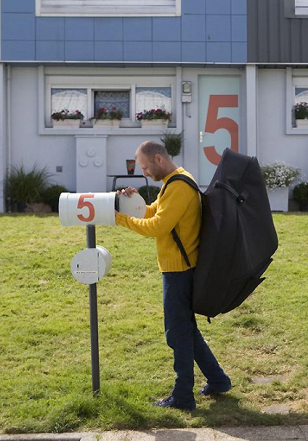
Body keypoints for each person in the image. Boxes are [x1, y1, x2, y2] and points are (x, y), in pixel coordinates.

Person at [114, 141, 232, 411]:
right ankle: (218, 380)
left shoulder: (178, 185)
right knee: (187, 331)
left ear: (158, 158)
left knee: (177, 334)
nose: (143, 172)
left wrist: (119, 219)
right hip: (177, 267)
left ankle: (182, 396)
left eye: (145, 167)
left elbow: (158, 226)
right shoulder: (172, 181)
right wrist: (130, 203)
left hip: (180, 270)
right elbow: (153, 211)